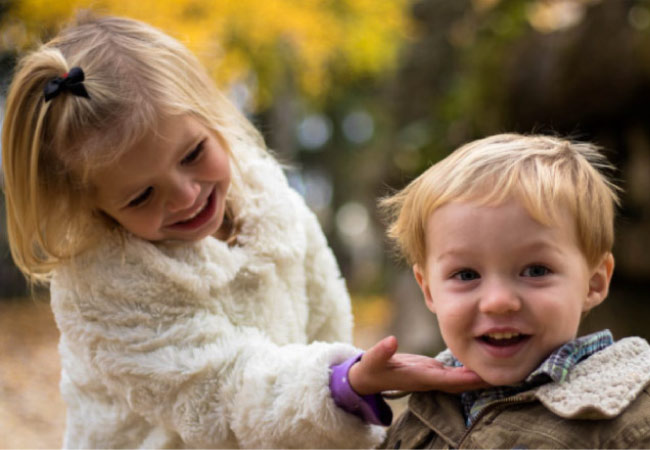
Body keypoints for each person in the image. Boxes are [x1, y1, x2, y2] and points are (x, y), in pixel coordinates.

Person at [1, 14, 485, 449]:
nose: (186, 195)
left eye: (193, 154)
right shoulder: (104, 285)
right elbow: (220, 393)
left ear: (213, 118)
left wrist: (350, 400)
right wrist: (340, 385)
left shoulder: (266, 200)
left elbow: (322, 314)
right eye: (141, 196)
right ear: (95, 207)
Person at [379, 133, 650, 449]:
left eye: (536, 271)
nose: (498, 302)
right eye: (466, 274)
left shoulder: (628, 420)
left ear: (594, 283)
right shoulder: (423, 409)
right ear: (428, 291)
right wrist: (345, 391)